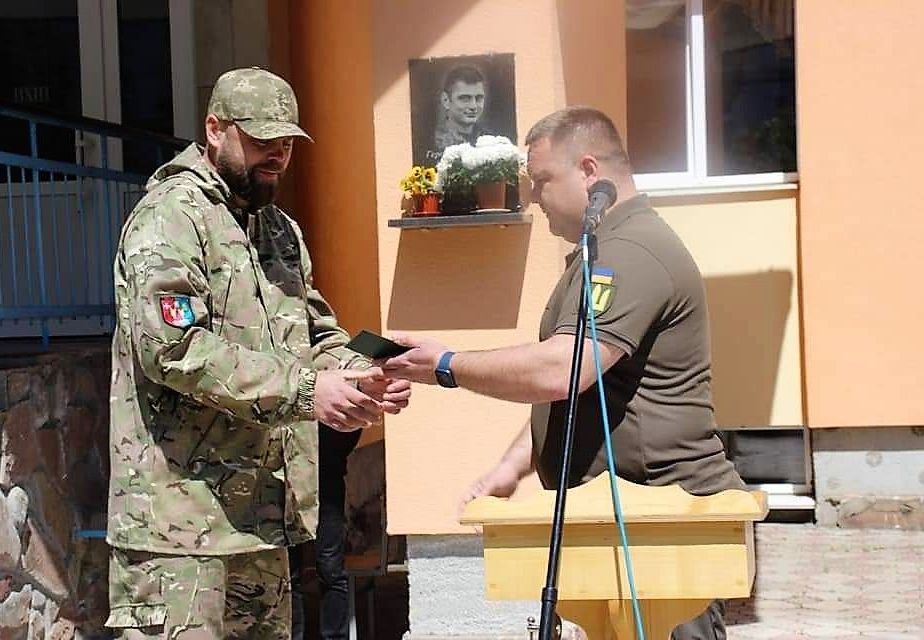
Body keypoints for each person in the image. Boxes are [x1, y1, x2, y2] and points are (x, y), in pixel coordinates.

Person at [383, 106, 745, 640]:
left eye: (542, 180)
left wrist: (446, 365)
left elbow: (563, 369)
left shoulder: (630, 251)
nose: (533, 196)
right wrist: (513, 465)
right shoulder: (600, 251)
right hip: (623, 523)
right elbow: (579, 388)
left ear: (590, 172)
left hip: (661, 522)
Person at [105, 67, 410, 639]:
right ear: (214, 129)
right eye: (262, 138)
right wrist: (306, 391)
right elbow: (174, 348)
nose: (278, 153)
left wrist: (361, 373)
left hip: (262, 524)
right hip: (179, 534)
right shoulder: (171, 217)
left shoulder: (279, 231)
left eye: (287, 141)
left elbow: (318, 334)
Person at [288, 423, 361, 640]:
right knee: (290, 575)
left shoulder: (330, 401)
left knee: (331, 570)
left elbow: (351, 429)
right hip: (289, 489)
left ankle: (335, 637)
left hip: (326, 487)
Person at [425, 64, 488, 164]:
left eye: (479, 98)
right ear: (445, 100)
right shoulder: (430, 141)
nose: (473, 106)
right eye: (465, 98)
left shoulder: (489, 141)